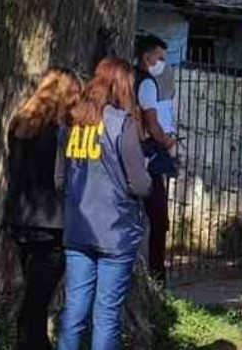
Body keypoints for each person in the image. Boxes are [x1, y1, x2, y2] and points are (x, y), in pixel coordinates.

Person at [57, 58, 153, 350]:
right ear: (122, 85)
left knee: (74, 310)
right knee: (107, 314)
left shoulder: (71, 122)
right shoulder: (121, 125)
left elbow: (59, 179)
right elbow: (141, 184)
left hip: (78, 229)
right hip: (115, 231)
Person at [6, 68, 82, 350]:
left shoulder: (19, 125)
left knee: (35, 298)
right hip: (51, 224)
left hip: (21, 220)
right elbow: (64, 179)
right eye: (75, 93)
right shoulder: (60, 132)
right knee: (36, 303)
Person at [134, 34, 178, 285]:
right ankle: (157, 275)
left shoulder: (127, 77)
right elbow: (152, 123)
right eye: (160, 58)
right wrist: (167, 141)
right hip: (147, 155)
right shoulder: (147, 83)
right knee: (159, 218)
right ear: (147, 57)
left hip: (126, 153)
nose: (163, 63)